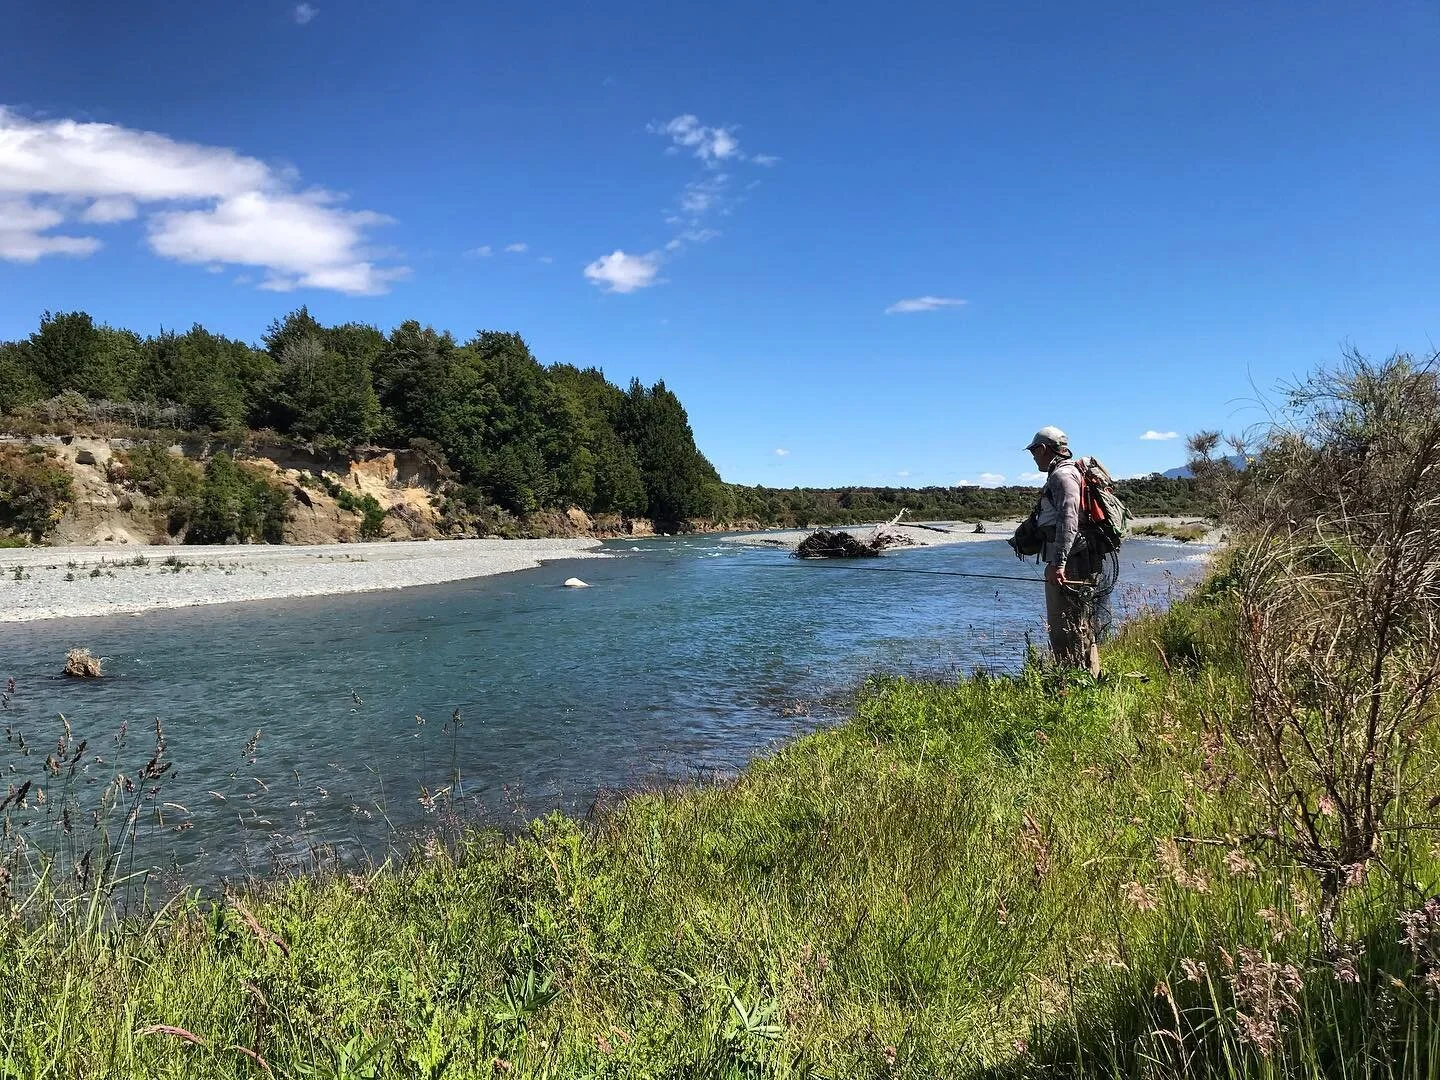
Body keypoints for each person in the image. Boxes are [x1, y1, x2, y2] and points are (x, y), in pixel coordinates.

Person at [1025, 426, 1101, 676]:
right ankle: (1086, 678)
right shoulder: (1068, 472)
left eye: (1034, 451)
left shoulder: (1062, 476)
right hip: (1077, 557)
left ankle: (1070, 683)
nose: (1033, 456)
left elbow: (1069, 519)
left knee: (1065, 627)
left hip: (1072, 561)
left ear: (1044, 449)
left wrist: (1058, 564)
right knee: (1080, 623)